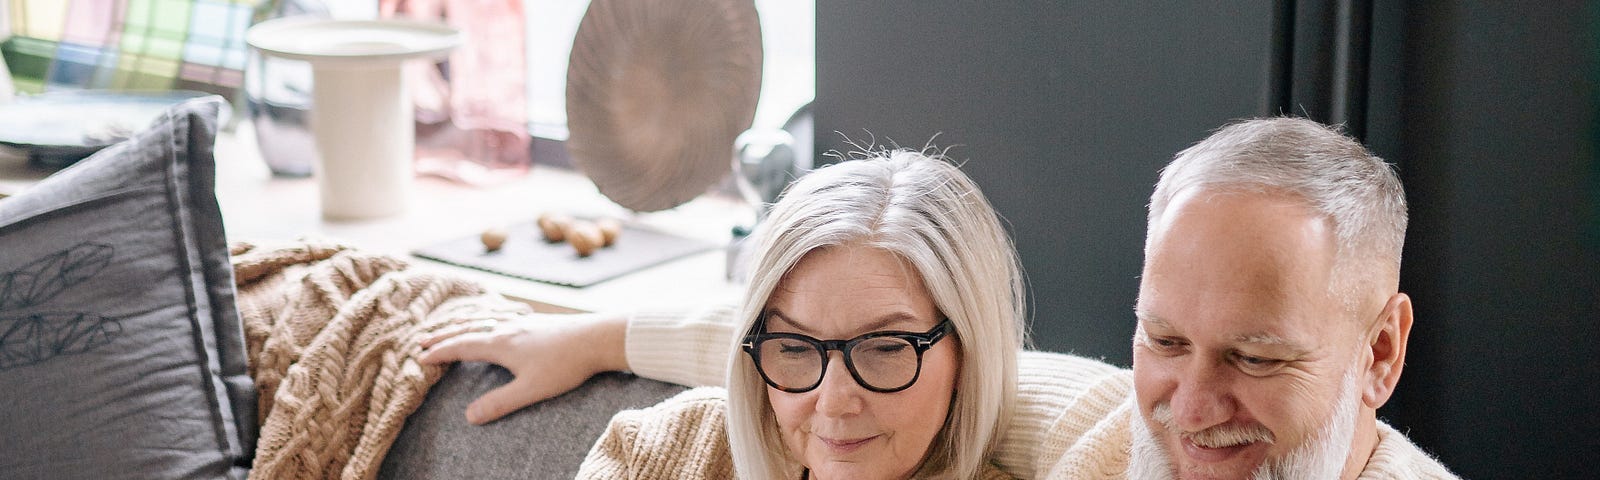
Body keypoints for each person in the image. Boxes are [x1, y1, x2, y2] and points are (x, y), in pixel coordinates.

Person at [421, 117, 1461, 479]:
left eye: (1256, 356)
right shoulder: (1106, 436)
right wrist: (603, 331)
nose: (1190, 408)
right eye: (1164, 338)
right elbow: (856, 349)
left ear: (1378, 354)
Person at [425, 150, 1026, 479]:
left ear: (968, 352)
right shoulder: (660, 451)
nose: (834, 400)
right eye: (794, 349)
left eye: (885, 349)